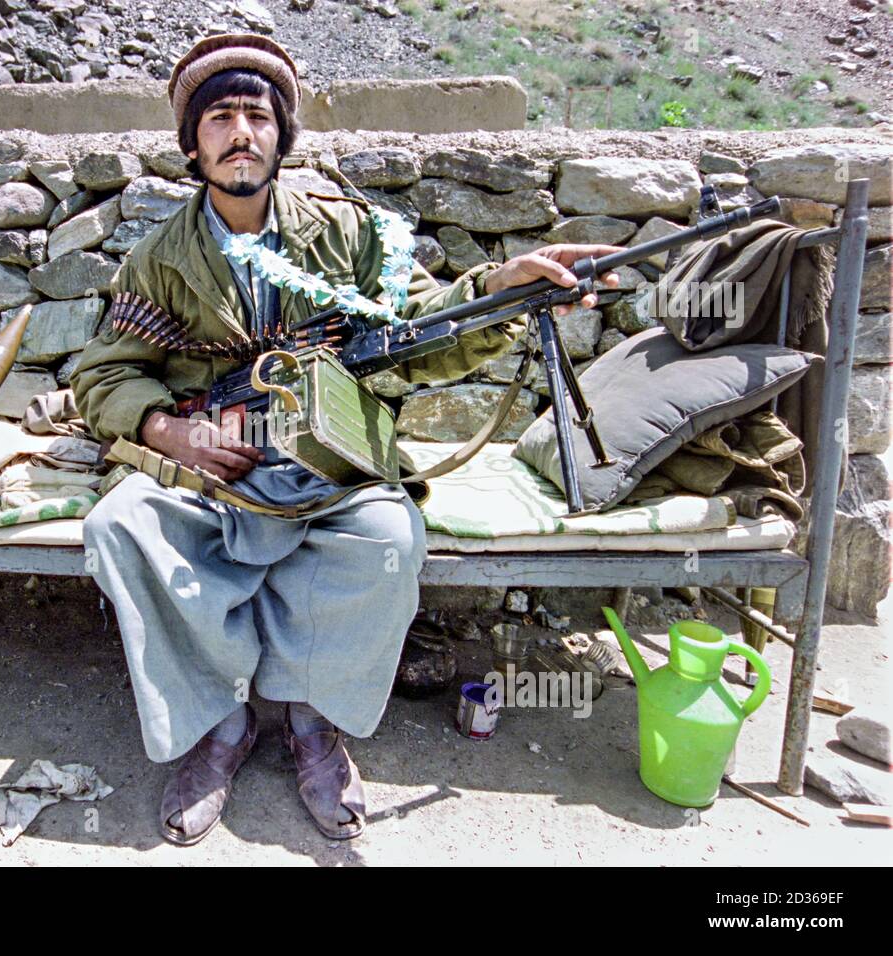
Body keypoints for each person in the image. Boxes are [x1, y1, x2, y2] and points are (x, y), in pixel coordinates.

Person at [72, 33, 620, 845]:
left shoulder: (349, 234)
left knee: (390, 537)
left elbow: (424, 330)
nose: (240, 133)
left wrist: (506, 289)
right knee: (119, 526)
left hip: (334, 469)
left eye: (257, 115)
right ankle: (220, 725)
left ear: (281, 137)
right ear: (194, 143)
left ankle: (310, 721)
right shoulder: (161, 259)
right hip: (216, 471)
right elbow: (104, 375)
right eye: (219, 117)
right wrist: (168, 429)